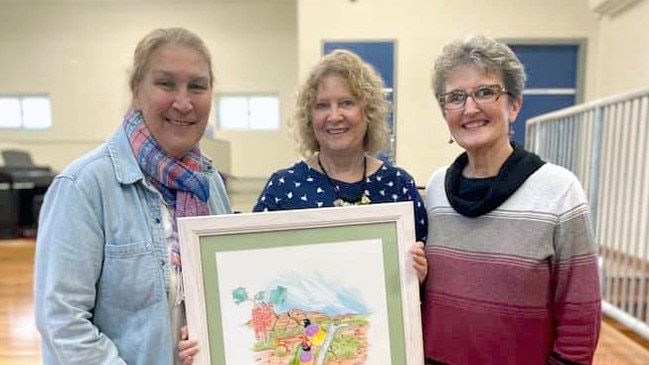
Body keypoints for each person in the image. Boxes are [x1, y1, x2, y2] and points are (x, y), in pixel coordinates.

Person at [33, 27, 230, 365]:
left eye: (197, 86)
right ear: (136, 91)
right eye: (166, 84)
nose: (183, 102)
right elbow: (62, 322)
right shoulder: (84, 187)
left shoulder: (210, 184)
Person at [421, 34, 602, 365]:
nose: (470, 108)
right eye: (455, 97)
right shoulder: (434, 190)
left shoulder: (560, 191)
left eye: (486, 92)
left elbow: (580, 315)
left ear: (514, 105)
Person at [252, 49, 429, 283]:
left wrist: (420, 273)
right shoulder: (284, 188)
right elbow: (255, 269)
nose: (334, 116)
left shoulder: (398, 185)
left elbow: (421, 278)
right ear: (309, 117)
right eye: (322, 105)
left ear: (368, 112)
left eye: (346, 103)